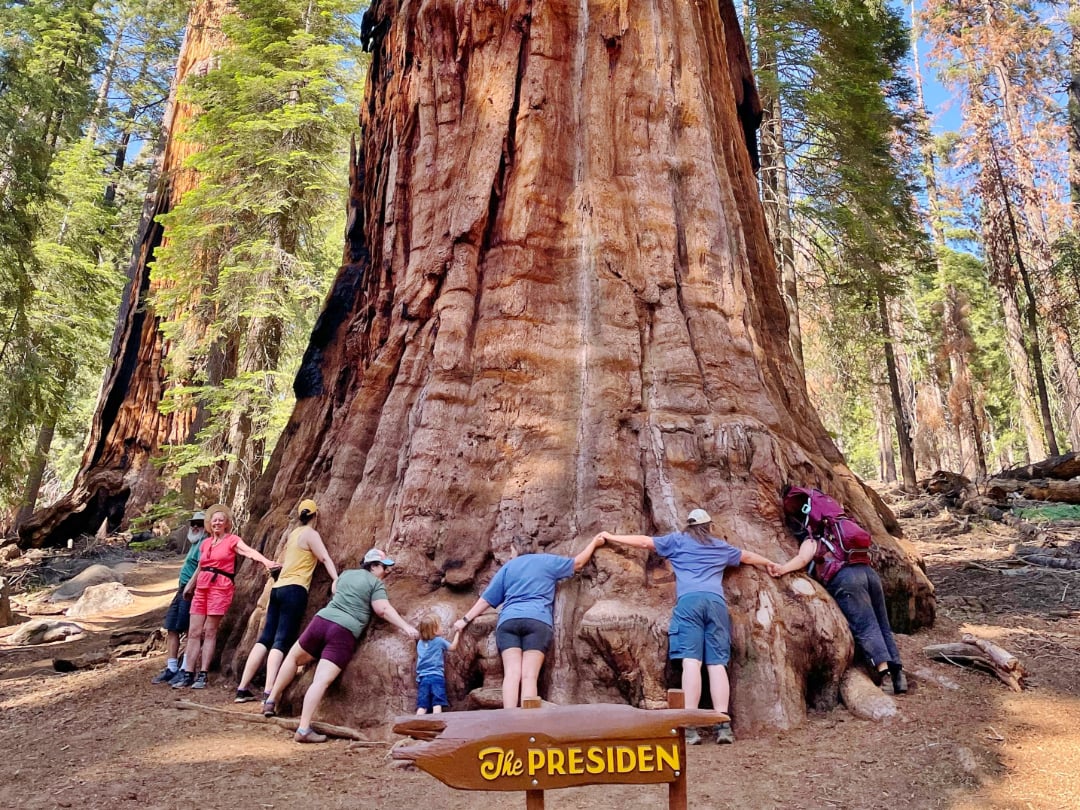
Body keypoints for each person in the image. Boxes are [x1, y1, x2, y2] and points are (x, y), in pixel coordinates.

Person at [596, 508, 777, 745]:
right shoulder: (718, 546)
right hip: (715, 603)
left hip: (689, 602)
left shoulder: (676, 541)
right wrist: (771, 564)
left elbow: (643, 542)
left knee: (692, 663)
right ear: (709, 526)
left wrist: (611, 537)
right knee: (716, 664)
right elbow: (748, 557)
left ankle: (691, 727)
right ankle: (723, 725)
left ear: (688, 526)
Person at [262, 548, 419, 743]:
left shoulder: (347, 574)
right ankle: (303, 729)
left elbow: (335, 589)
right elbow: (382, 609)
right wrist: (406, 627)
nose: (387, 571)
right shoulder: (375, 583)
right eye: (384, 567)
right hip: (343, 632)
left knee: (293, 658)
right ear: (374, 566)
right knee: (321, 680)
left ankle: (270, 700)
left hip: (321, 621)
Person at [453, 534, 604, 709]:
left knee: (511, 674)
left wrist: (464, 620)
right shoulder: (547, 561)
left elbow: (486, 600)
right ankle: (528, 721)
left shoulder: (508, 567)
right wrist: (594, 542)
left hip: (509, 622)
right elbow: (578, 563)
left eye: (511, 552)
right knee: (529, 676)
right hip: (537, 621)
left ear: (516, 550)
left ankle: (509, 719)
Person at [768, 529, 908, 695]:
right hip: (869, 574)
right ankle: (899, 675)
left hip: (847, 580)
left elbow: (803, 558)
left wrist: (782, 569)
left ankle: (885, 674)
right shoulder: (838, 534)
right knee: (882, 623)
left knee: (866, 627)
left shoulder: (813, 539)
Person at [234, 499, 339, 703]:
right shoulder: (311, 534)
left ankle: (242, 688)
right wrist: (336, 579)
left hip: (278, 588)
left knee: (265, 638)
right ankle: (269, 691)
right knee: (281, 641)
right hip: (295, 590)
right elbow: (325, 558)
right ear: (316, 516)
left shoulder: (293, 534)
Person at [172, 504, 280, 689]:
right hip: (202, 586)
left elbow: (248, 551)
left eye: (221, 520)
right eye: (214, 519)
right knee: (194, 631)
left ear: (227, 523)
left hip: (220, 587)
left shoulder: (232, 540)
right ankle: (188, 672)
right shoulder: (205, 543)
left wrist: (266, 562)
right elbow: (200, 566)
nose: (217, 522)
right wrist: (189, 585)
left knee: (210, 631)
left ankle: (203, 674)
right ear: (209, 523)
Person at [151, 512, 207, 684]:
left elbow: (202, 567)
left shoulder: (204, 542)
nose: (195, 527)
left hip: (191, 591)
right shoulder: (195, 543)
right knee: (172, 627)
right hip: (182, 590)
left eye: (199, 523)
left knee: (189, 629)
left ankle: (185, 669)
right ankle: (172, 667)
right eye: (193, 524)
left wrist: (191, 586)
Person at [414, 615, 461, 714]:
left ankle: (417, 722)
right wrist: (458, 634)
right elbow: (452, 647)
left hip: (423, 678)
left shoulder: (420, 643)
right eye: (440, 626)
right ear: (434, 631)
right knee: (437, 703)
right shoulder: (439, 641)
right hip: (436, 676)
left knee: (422, 705)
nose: (442, 627)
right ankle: (437, 721)